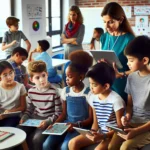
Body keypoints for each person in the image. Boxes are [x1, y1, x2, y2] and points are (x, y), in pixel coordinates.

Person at [43, 50, 93, 150]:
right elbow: (64, 113)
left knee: (65, 147)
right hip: (66, 124)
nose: (66, 79)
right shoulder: (65, 91)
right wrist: (54, 125)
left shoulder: (89, 93)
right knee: (46, 145)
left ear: (81, 77)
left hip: (80, 127)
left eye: (70, 76)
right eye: (65, 76)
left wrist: (76, 124)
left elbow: (90, 119)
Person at [68, 62, 125, 150]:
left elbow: (120, 128)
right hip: (100, 133)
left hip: (112, 136)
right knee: (72, 143)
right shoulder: (92, 97)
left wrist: (103, 136)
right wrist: (93, 133)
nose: (91, 87)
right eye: (90, 83)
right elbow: (95, 122)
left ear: (106, 86)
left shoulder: (116, 100)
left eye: (94, 85)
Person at [108, 36, 150, 150]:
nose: (128, 64)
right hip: (133, 122)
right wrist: (127, 116)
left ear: (145, 60)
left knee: (125, 147)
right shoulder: (131, 77)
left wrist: (136, 131)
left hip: (147, 126)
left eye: (131, 60)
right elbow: (130, 105)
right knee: (111, 146)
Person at [19, 60, 62, 150]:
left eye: (43, 75)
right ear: (31, 79)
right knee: (19, 132)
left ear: (47, 74)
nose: (42, 79)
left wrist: (48, 121)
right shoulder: (31, 92)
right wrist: (24, 117)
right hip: (35, 118)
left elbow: (59, 112)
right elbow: (29, 109)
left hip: (48, 119)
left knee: (37, 139)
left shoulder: (54, 91)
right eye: (37, 77)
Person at [100, 2, 135, 102]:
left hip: (123, 84)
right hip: (107, 82)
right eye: (104, 22)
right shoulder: (104, 37)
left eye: (110, 22)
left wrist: (122, 74)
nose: (106, 26)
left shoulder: (129, 39)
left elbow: (139, 68)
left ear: (121, 19)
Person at [0, 61, 26, 127]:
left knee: (8, 129)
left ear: (14, 72)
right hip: (1, 115)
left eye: (11, 73)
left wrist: (10, 112)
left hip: (14, 116)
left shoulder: (20, 87)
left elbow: (23, 107)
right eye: (5, 75)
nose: (9, 77)